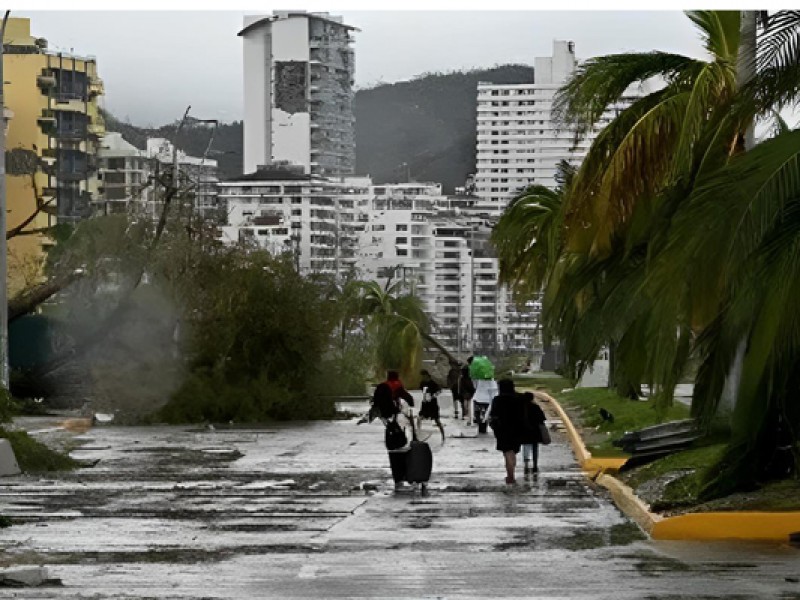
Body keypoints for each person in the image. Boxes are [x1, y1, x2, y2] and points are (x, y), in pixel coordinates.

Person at [486, 379, 525, 484]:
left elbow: (493, 414)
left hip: (502, 428)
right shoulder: (519, 399)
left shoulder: (498, 400)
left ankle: (510, 475)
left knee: (507, 451)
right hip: (517, 427)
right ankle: (512, 472)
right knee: (513, 450)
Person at [519, 391, 546, 475]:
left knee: (526, 448)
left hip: (524, 431)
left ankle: (526, 465)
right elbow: (542, 418)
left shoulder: (520, 408)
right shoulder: (535, 407)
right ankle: (535, 465)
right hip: (535, 431)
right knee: (535, 448)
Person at [418, 369, 445, 442]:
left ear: (427, 375)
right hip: (425, 404)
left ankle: (443, 436)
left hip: (433, 404)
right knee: (419, 418)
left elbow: (439, 390)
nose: (422, 378)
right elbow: (423, 392)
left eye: (423, 376)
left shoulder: (433, 383)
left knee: (437, 420)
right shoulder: (422, 383)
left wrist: (433, 396)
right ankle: (418, 434)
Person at [459, 357, 476, 423]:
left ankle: (468, 416)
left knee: (467, 402)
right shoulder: (474, 368)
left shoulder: (465, 367)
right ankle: (470, 417)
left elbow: (462, 376)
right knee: (470, 403)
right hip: (471, 385)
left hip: (466, 386)